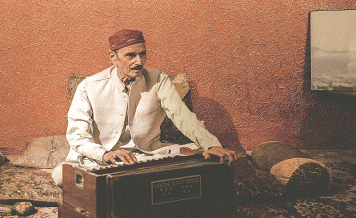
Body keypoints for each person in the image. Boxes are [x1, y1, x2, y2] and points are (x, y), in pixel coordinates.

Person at [52, 29, 236, 186]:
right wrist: (105, 154)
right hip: (99, 159)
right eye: (131, 55)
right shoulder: (89, 86)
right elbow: (77, 136)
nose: (139, 61)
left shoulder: (158, 79)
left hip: (144, 156)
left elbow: (181, 115)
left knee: (201, 161)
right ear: (113, 58)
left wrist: (211, 144)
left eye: (143, 54)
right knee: (60, 175)